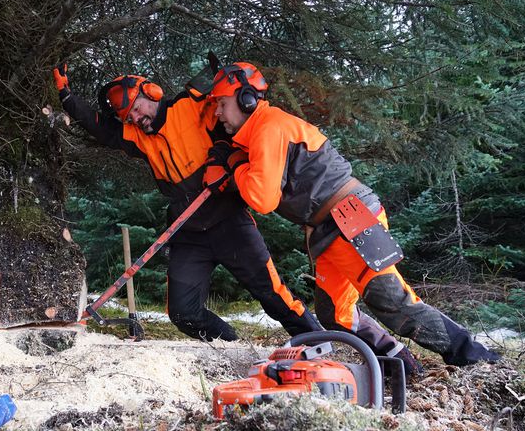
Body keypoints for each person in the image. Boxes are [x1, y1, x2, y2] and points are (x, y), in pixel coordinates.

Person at [205, 61, 500, 373]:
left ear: (246, 100)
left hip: (350, 217)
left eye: (222, 105)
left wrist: (235, 165)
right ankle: (397, 362)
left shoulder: (269, 127)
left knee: (392, 301)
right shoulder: (261, 132)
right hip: (326, 228)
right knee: (336, 316)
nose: (218, 114)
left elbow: (263, 199)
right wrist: (238, 158)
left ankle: (477, 359)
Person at [52, 63, 323, 341]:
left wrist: (224, 159)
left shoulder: (190, 105)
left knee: (271, 293)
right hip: (188, 229)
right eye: (128, 115)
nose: (135, 118)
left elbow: (233, 119)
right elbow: (102, 128)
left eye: (137, 108)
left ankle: (320, 341)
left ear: (152, 93)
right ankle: (229, 345)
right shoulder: (139, 138)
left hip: (228, 219)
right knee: (182, 312)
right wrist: (68, 99)